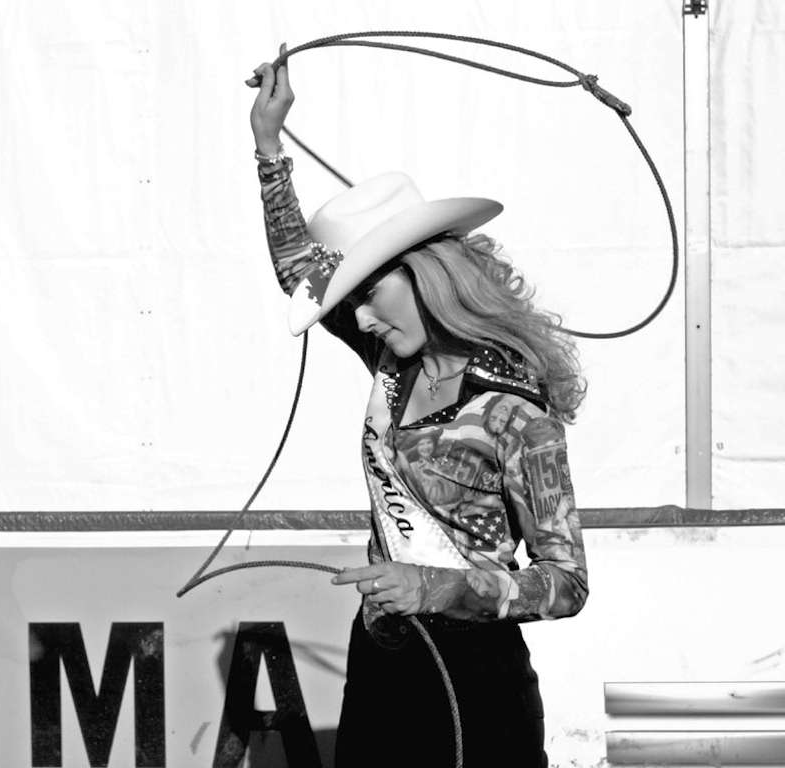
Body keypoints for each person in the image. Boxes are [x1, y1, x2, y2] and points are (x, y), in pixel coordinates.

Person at [247, 45, 588, 767]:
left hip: (476, 684)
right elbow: (302, 278)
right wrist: (269, 144)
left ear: (426, 271)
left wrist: (433, 585)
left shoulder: (515, 413)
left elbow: (565, 582)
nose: (359, 321)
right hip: (382, 663)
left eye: (370, 294)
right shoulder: (391, 367)